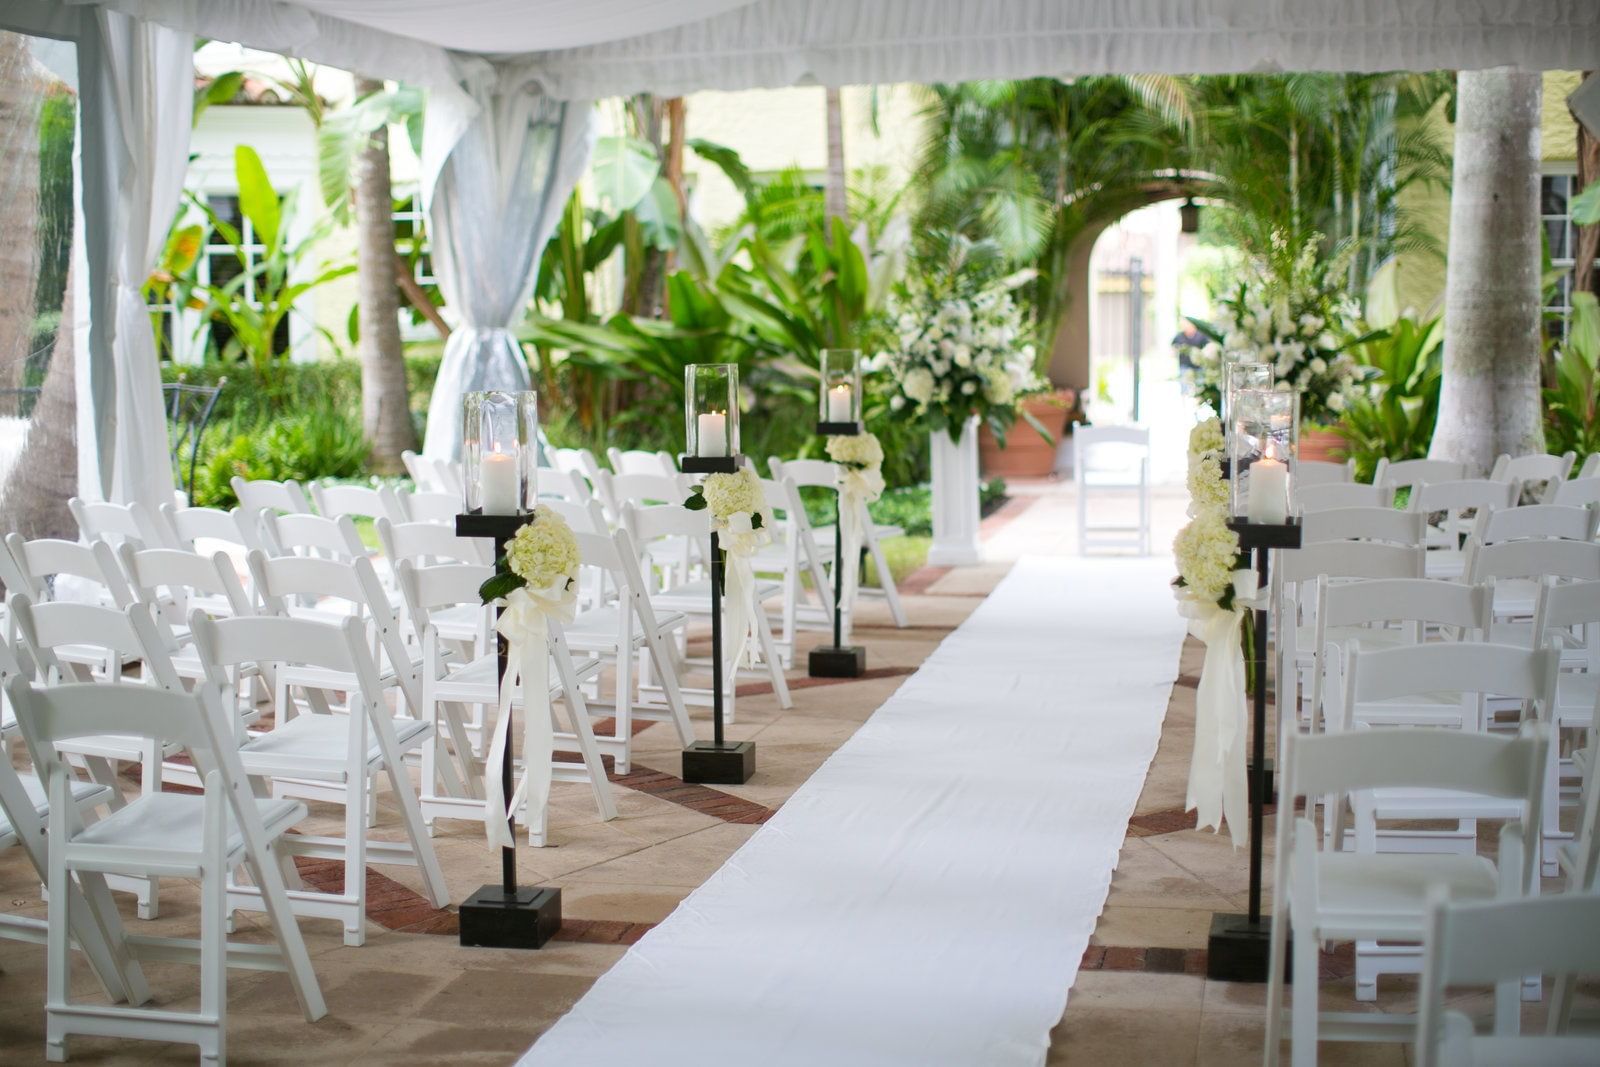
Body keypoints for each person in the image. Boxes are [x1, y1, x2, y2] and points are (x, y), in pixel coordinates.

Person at [1172, 319, 1203, 395]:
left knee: (1200, 387)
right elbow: (1173, 347)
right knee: (1184, 387)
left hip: (1198, 366)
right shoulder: (1179, 336)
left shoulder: (1200, 335)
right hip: (1184, 365)